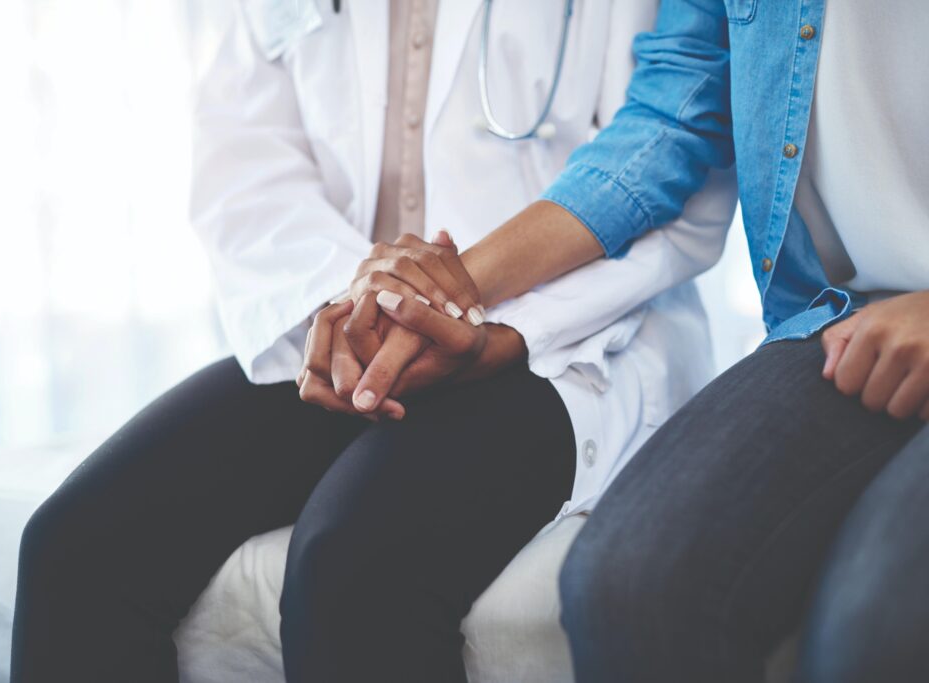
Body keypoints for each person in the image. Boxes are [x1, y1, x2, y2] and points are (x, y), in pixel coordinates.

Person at [8, 1, 737, 682]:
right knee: (74, 550)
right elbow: (246, 159)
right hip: (342, 315)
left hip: (565, 332)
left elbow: (682, 159)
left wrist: (494, 325)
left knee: (352, 566)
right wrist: (355, 306)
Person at [365, 1, 928, 681]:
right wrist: (445, 292)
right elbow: (675, 112)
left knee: (877, 632)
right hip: (836, 319)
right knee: (628, 587)